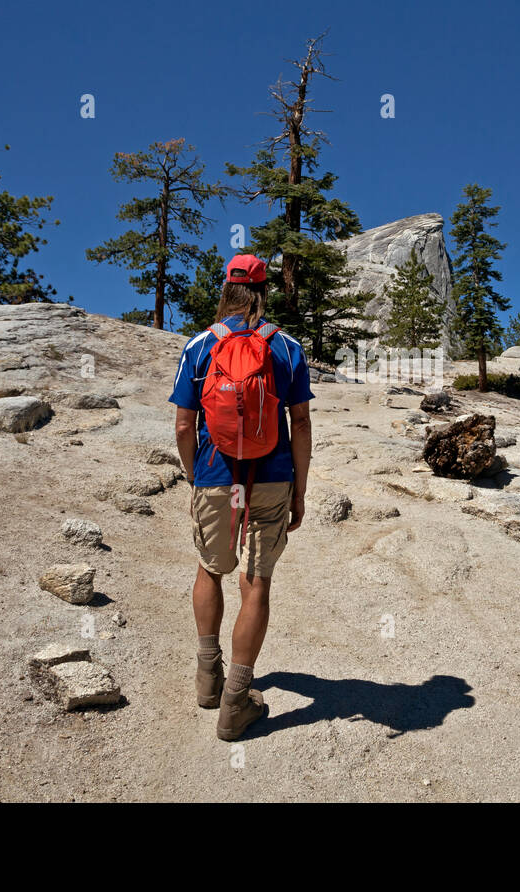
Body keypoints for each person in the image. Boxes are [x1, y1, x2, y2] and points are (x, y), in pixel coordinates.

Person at [169, 253, 313, 740]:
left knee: (210, 568)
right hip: (272, 476)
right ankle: (236, 701)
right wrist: (300, 488)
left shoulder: (199, 345)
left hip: (215, 475)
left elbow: (185, 424)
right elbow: (302, 423)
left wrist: (195, 476)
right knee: (256, 583)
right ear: (264, 290)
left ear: (226, 289)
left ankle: (207, 677)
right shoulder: (287, 347)